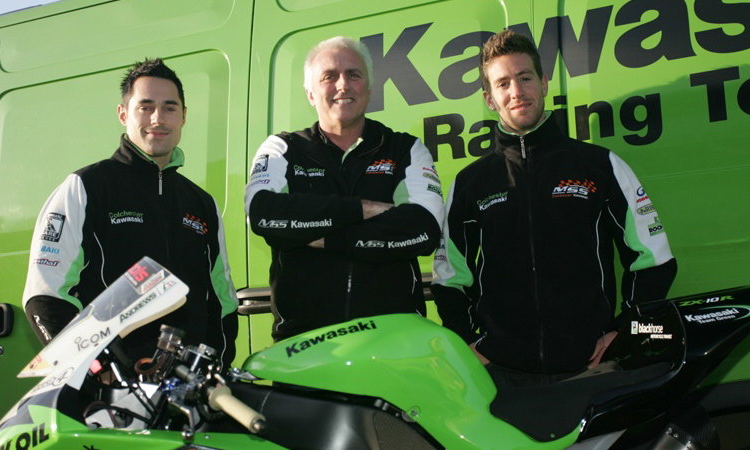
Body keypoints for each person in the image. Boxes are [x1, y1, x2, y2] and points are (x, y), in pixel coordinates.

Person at [431, 30, 677, 387]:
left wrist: (625, 332)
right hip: (501, 373)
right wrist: (468, 343)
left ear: (544, 83)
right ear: (489, 99)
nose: (516, 91)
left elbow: (653, 259)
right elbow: (449, 279)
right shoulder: (470, 183)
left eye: (525, 78)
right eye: (503, 84)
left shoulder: (600, 165)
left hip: (590, 366)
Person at [23, 58, 239, 365]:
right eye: (145, 107)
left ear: (184, 116)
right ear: (123, 114)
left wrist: (218, 367)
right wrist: (93, 370)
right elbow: (45, 295)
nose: (157, 119)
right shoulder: (86, 187)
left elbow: (223, 303)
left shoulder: (202, 203)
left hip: (187, 383)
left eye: (169, 108)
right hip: (112, 382)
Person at [245, 36, 444, 341]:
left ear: (369, 89)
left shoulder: (406, 148)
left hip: (396, 340)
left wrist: (328, 237)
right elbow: (263, 214)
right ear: (310, 94)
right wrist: (360, 209)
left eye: (354, 74)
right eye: (329, 76)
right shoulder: (283, 148)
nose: (343, 85)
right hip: (305, 344)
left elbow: (425, 228)